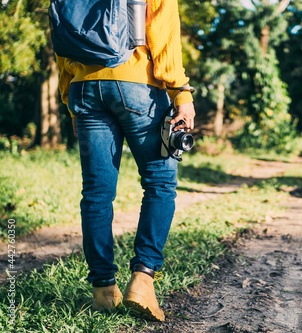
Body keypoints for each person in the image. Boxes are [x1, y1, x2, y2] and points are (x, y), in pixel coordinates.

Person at [55, 0, 195, 322]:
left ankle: (104, 290)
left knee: (96, 193)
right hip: (137, 84)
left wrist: (70, 97)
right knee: (160, 183)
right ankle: (143, 280)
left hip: (84, 87)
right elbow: (164, 34)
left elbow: (64, 37)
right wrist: (181, 93)